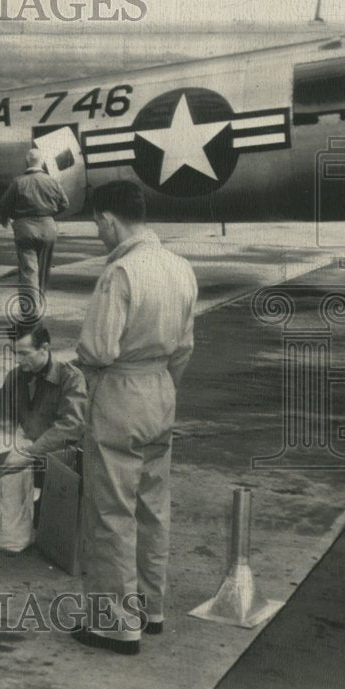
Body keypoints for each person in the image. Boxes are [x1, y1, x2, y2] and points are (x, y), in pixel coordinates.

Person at [72, 180, 197, 656]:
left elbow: (98, 348)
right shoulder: (181, 267)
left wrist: (93, 373)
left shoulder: (120, 273)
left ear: (108, 220)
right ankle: (151, 607)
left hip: (121, 392)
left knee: (111, 510)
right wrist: (161, 386)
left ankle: (115, 625)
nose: (99, 233)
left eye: (98, 225)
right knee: (153, 505)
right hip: (162, 389)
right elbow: (184, 347)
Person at [0, 323, 87, 511]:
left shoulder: (71, 378)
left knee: (56, 523)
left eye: (24, 353)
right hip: (28, 456)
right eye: (15, 353)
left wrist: (29, 454)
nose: (18, 360)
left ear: (44, 348)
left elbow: (71, 426)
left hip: (62, 463)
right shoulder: (15, 376)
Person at [0, 149, 69, 321]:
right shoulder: (52, 181)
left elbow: (4, 204)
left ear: (26, 162)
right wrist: (49, 215)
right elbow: (65, 204)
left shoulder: (18, 182)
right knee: (44, 269)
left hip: (25, 229)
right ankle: (40, 303)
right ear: (42, 162)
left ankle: (30, 310)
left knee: (29, 270)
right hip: (48, 228)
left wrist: (7, 217)